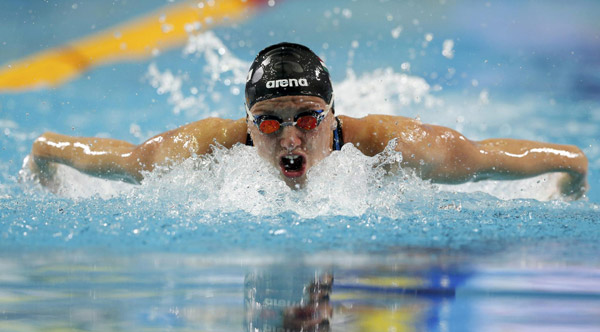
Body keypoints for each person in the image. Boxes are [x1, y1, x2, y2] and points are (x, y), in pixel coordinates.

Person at [27, 42, 588, 198]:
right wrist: (44, 152)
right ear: (247, 124)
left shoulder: (393, 147)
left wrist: (573, 174)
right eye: (269, 122)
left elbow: (489, 157)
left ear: (332, 115)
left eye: (308, 118)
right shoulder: (206, 146)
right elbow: (123, 160)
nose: (290, 136)